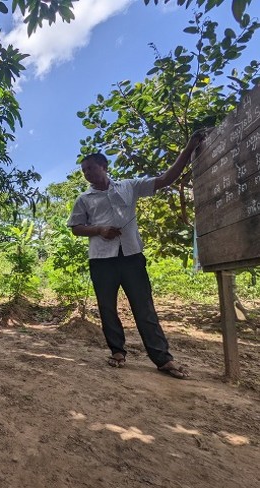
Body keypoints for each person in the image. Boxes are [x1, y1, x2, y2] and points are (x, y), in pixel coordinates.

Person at [67, 134, 203, 379]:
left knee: (144, 307)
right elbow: (76, 228)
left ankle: (163, 359)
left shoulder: (129, 186)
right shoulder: (83, 199)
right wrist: (99, 230)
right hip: (101, 260)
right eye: (84, 171)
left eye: (90, 168)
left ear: (104, 166)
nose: (86, 173)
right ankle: (117, 352)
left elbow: (166, 179)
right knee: (107, 308)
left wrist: (189, 147)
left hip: (131, 256)